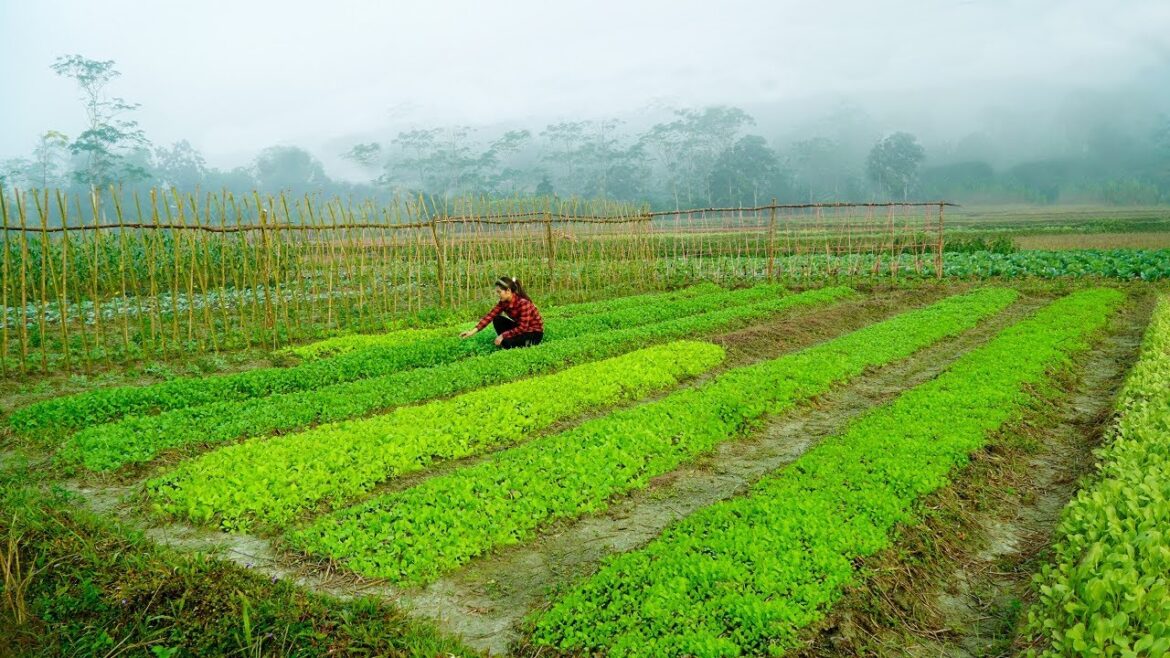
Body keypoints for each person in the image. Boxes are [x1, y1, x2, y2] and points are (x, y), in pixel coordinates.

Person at [459, 276, 544, 348]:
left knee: (506, 342)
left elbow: (523, 327)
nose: (498, 295)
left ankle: (511, 342)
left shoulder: (523, 303)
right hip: (521, 329)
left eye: (499, 292)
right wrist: (471, 332)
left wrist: (503, 335)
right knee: (497, 319)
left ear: (508, 291)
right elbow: (490, 316)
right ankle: (508, 341)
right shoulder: (503, 303)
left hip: (534, 333)